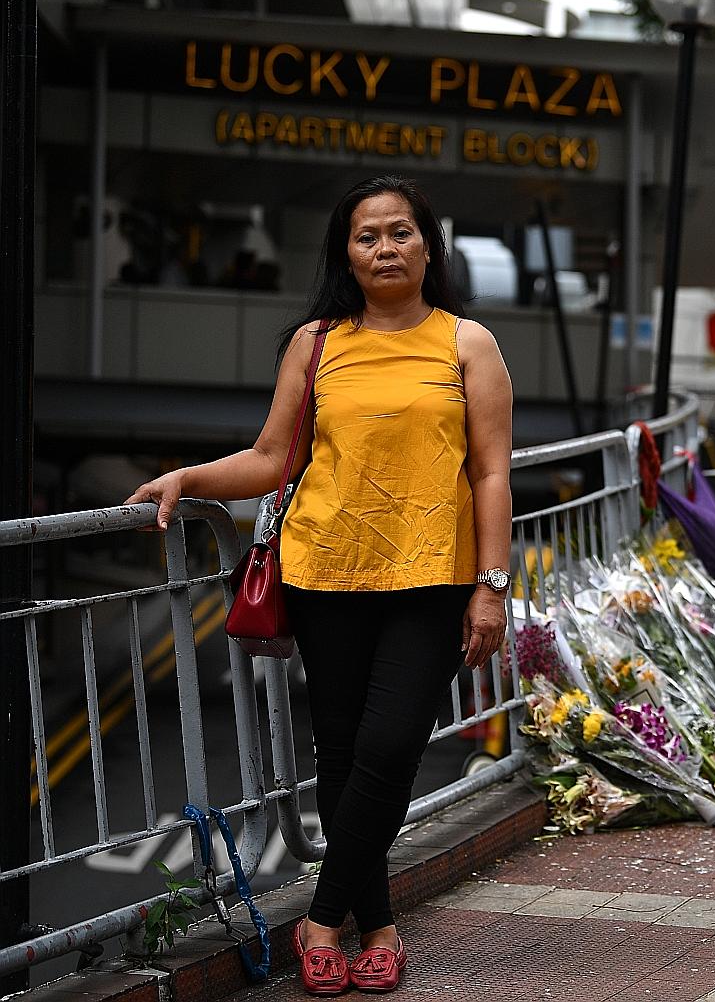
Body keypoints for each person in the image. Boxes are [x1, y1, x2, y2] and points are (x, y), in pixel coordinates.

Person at [127, 175, 513, 994]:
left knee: (389, 747)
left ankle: (317, 917)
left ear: (428, 246)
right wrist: (186, 477)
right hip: (326, 573)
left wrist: (491, 585)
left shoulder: (466, 344)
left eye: (401, 233)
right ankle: (375, 926)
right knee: (340, 756)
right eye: (368, 235)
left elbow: (489, 472)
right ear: (346, 252)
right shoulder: (318, 344)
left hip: (430, 580)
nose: (386, 247)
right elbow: (273, 459)